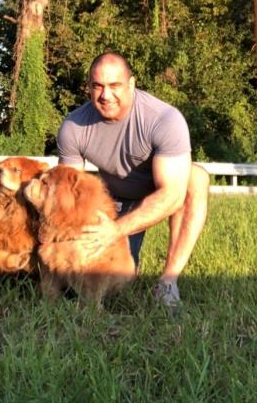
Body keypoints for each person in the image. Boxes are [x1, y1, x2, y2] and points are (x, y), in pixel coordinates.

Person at [57, 51, 209, 309]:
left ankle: (168, 283)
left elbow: (172, 195)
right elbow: (68, 192)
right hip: (111, 199)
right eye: (97, 86)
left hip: (155, 194)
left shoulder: (164, 119)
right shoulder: (73, 126)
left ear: (131, 83)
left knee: (195, 178)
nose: (105, 95)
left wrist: (115, 231)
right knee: (117, 282)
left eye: (115, 85)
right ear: (89, 87)